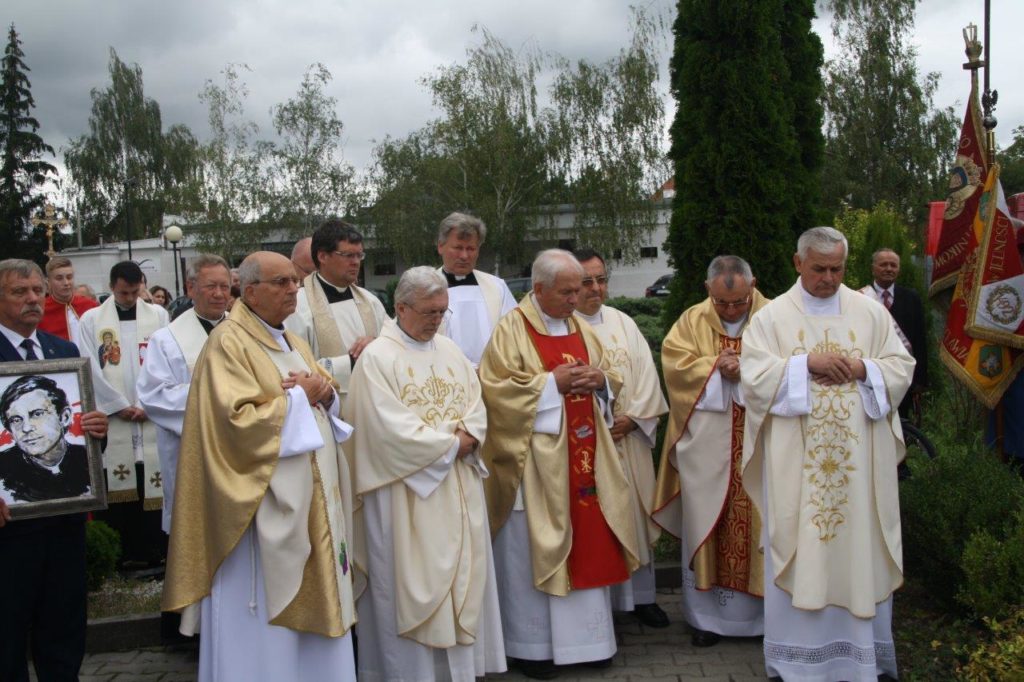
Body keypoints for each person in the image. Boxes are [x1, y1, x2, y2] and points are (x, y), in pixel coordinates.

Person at [162, 251, 356, 682]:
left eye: (293, 281)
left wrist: (325, 393)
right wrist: (300, 398)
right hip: (260, 512)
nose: (293, 290)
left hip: (311, 502)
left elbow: (322, 397)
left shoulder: (291, 339)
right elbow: (231, 424)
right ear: (250, 292)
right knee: (267, 625)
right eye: (282, 282)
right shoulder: (228, 343)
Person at [741, 227, 914, 681]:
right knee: (801, 545)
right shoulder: (771, 318)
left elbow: (902, 366)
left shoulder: (870, 313)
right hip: (797, 472)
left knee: (858, 549)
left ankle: (859, 662)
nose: (830, 278)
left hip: (859, 474)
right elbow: (753, 380)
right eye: (819, 269)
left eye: (837, 268)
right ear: (798, 263)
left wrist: (862, 368)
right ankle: (794, 664)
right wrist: (804, 365)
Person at [479, 249, 639, 679]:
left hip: (585, 456)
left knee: (589, 540)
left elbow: (607, 372)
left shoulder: (579, 327)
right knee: (535, 545)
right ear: (538, 289)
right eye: (567, 291)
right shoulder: (510, 331)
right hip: (537, 467)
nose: (576, 299)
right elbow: (495, 392)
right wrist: (552, 385)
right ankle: (533, 647)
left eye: (580, 289)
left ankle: (591, 642)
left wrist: (600, 381)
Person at [347, 266, 506, 681]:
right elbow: (383, 427)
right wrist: (451, 444)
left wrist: (471, 433)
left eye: (442, 312)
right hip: (406, 494)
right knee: (409, 582)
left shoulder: (450, 350)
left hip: (457, 485)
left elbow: (476, 401)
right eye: (429, 312)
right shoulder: (376, 359)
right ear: (400, 307)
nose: (437, 320)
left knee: (464, 576)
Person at [0, 258, 108, 682]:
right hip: (9, 528)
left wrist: (95, 428)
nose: (31, 299)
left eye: (36, 291)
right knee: (7, 633)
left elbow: (82, 428)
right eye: (18, 292)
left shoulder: (63, 352)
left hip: (64, 520)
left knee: (63, 627)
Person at [652, 255, 768, 647]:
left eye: (739, 302)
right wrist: (717, 366)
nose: (732, 310)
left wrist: (747, 369)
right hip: (706, 447)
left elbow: (788, 366)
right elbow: (675, 368)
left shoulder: (774, 317)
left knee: (762, 527)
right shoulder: (691, 320)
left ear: (753, 286)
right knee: (706, 523)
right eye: (723, 303)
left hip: (759, 446)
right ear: (708, 290)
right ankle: (706, 620)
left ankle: (763, 621)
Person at [572, 249, 670, 628]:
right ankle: (604, 603)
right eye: (586, 282)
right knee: (600, 521)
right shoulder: (563, 328)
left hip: (627, 440)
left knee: (633, 513)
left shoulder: (623, 322)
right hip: (589, 447)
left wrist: (633, 418)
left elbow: (646, 376)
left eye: (601, 279)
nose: (596, 288)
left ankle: (642, 598)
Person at [78, 260, 169, 562]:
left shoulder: (158, 315)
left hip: (150, 413)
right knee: (118, 483)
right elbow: (88, 365)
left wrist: (146, 404)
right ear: (111, 287)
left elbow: (165, 360)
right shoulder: (92, 320)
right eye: (123, 293)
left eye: (134, 291)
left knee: (153, 482)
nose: (130, 298)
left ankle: (156, 551)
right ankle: (124, 554)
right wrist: (117, 405)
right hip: (115, 416)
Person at [136, 255, 231, 535]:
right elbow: (154, 395)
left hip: (241, 448)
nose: (218, 294)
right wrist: (221, 396)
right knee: (197, 531)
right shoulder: (166, 340)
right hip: (193, 450)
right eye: (210, 286)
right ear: (191, 289)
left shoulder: (246, 332)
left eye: (225, 286)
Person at [285, 220, 387, 409]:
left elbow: (394, 344)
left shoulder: (369, 301)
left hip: (374, 403)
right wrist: (350, 363)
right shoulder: (298, 305)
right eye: (348, 255)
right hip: (328, 408)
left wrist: (376, 342)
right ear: (322, 256)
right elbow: (294, 368)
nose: (356, 262)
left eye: (359, 255)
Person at [435, 212, 517, 368]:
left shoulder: (497, 287)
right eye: (458, 248)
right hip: (445, 373)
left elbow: (514, 333)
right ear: (440, 246)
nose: (464, 256)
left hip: (493, 376)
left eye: (471, 248)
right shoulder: (424, 288)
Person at [857, 248, 928, 418]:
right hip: (870, 373)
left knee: (901, 424)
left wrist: (920, 379)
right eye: (883, 265)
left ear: (898, 269)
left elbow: (919, 339)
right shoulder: (859, 298)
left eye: (893, 265)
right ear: (873, 268)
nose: (889, 268)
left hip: (901, 374)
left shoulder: (911, 298)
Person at [0, 375, 90, 503]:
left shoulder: (88, 458)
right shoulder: (3, 470)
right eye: (16, 420)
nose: (26, 428)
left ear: (64, 417)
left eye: (37, 414)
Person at [38, 256, 98, 344]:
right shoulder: (41, 310)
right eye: (59, 278)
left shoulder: (91, 306)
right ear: (48, 282)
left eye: (69, 277)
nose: (66, 283)